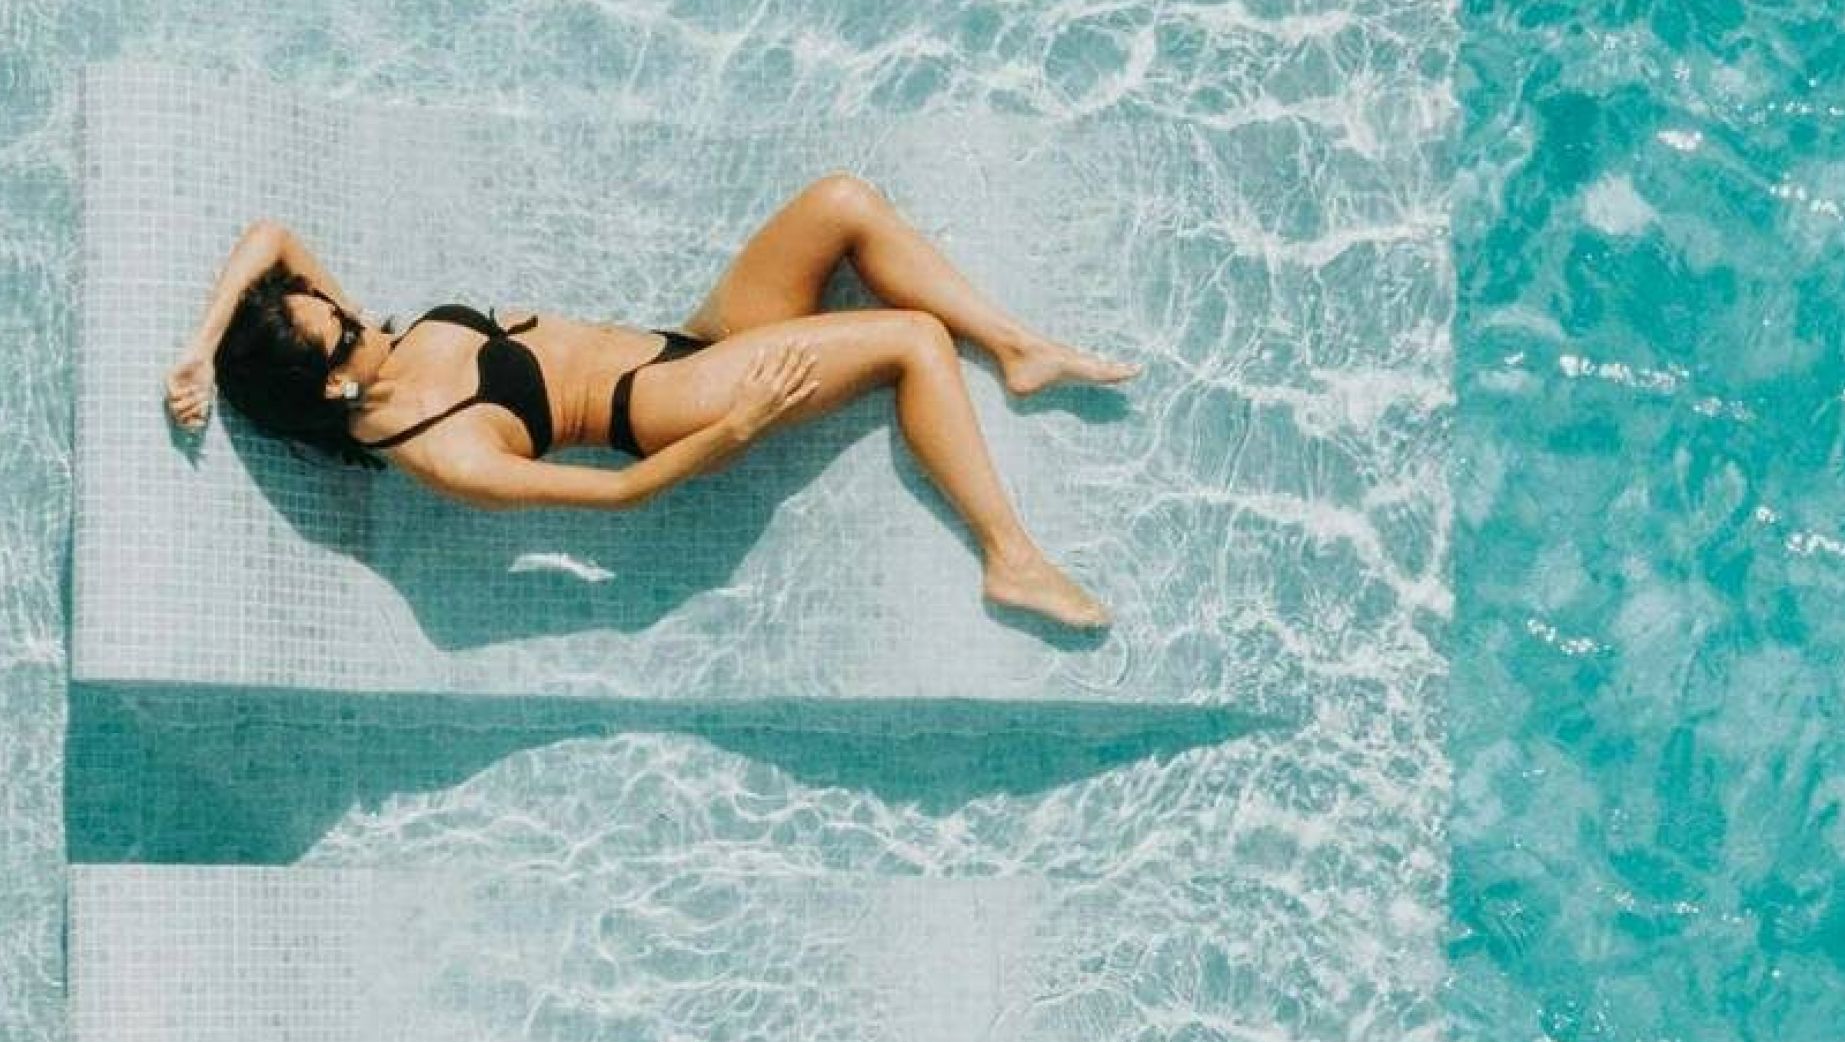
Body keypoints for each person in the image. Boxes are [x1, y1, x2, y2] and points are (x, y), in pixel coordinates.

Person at [161, 173, 1136, 630]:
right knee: (912, 342)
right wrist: (737, 425)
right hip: (671, 403)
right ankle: (1010, 559)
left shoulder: (359, 350)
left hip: (691, 339)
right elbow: (618, 497)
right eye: (344, 329)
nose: (356, 313)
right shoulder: (439, 449)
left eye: (335, 306)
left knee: (841, 200)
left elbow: (270, 235)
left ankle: (1017, 349)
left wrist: (202, 350)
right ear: (334, 381)